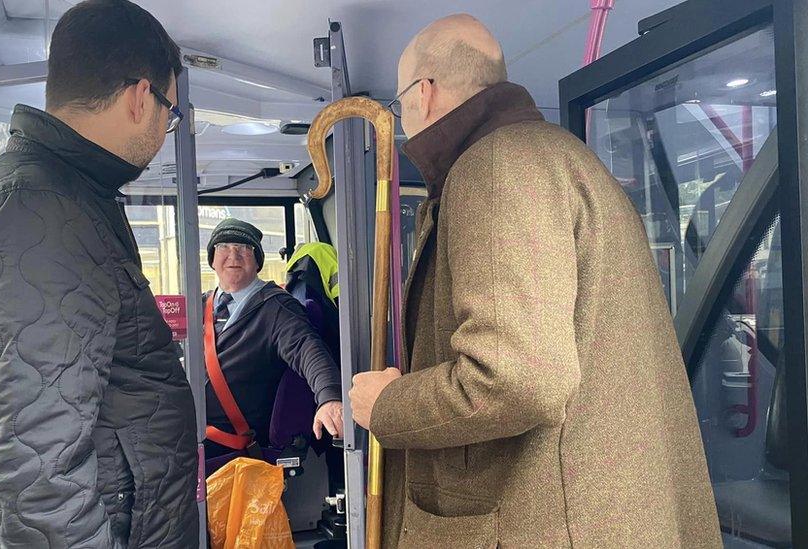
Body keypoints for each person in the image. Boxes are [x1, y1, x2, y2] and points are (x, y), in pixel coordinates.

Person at [348, 14, 721, 548]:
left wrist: (388, 405)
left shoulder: (498, 167)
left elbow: (517, 378)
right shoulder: (566, 160)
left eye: (399, 101)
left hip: (540, 524)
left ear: (423, 93)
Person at [0, 1, 198, 547]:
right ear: (140, 97)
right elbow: (27, 468)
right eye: (170, 114)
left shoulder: (59, 197)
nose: (166, 130)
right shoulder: (40, 214)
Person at [202, 218, 343, 459]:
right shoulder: (198, 305)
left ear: (257, 261)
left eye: (244, 248)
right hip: (187, 432)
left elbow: (306, 349)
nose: (233, 255)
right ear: (212, 260)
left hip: (232, 449)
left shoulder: (276, 307)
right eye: (224, 246)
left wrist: (330, 396)